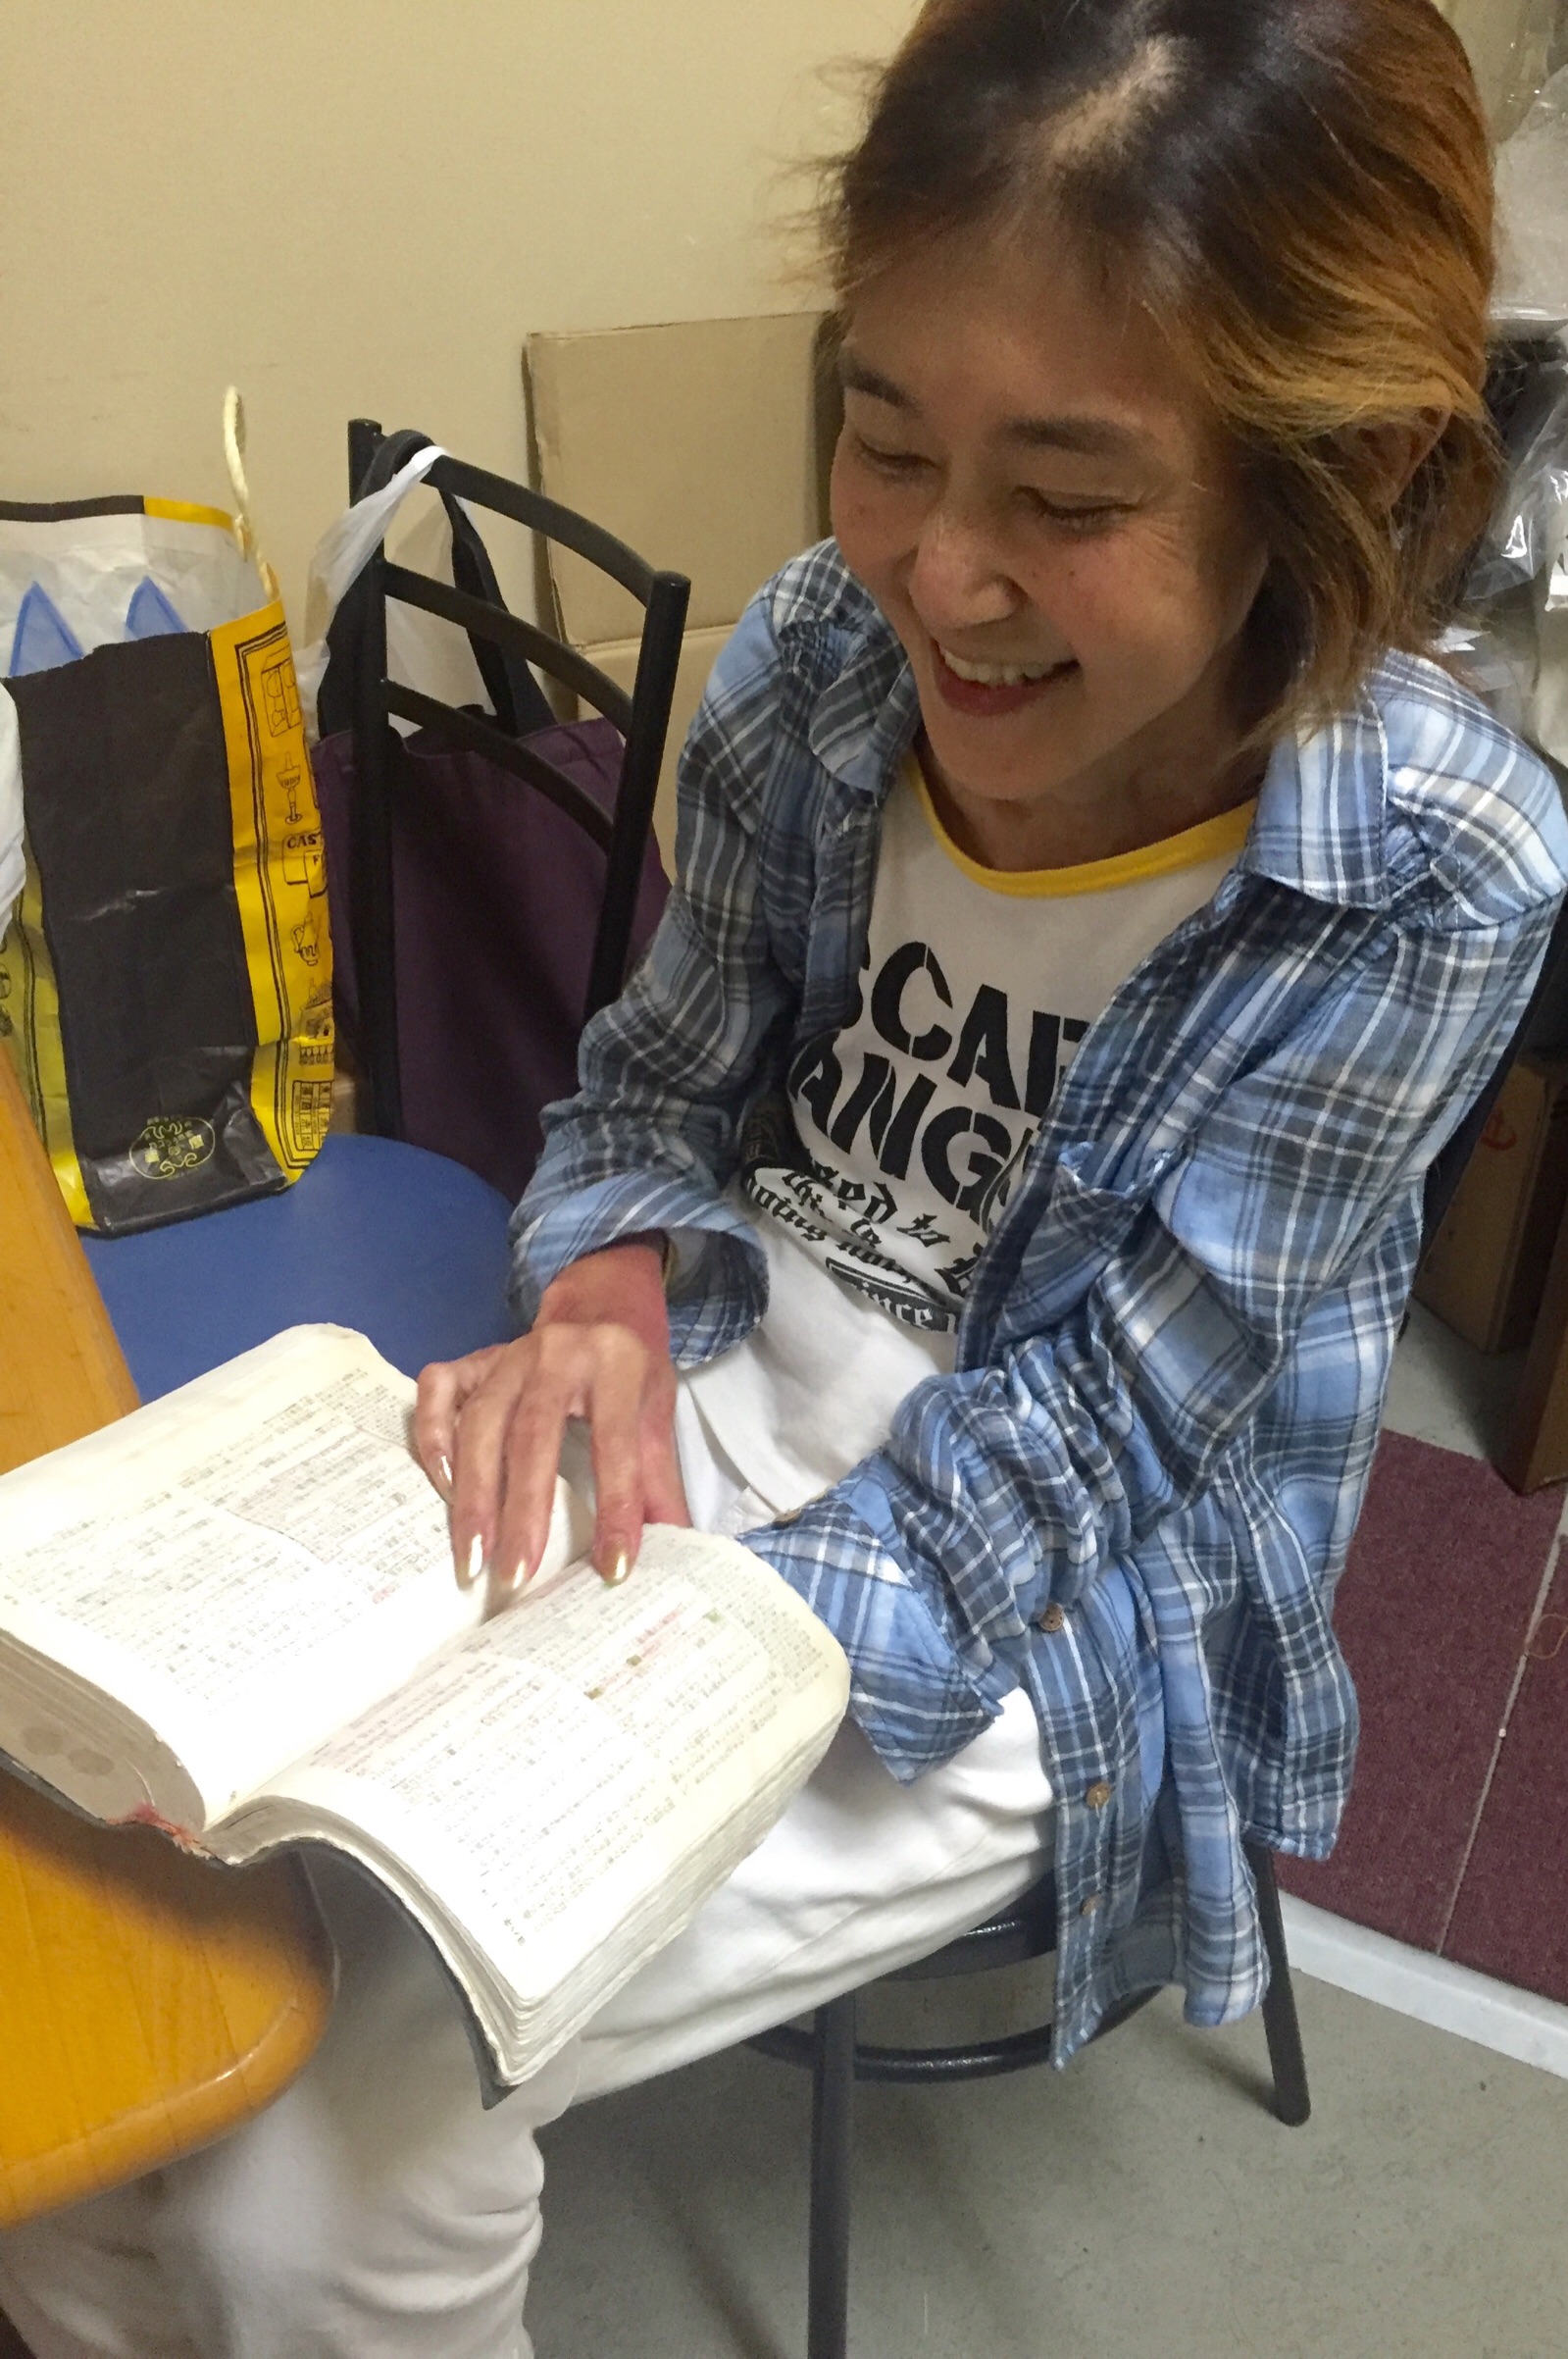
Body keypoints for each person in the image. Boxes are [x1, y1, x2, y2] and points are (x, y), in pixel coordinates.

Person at [4, 2, 1565, 2352]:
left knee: (315, 2173)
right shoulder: (827, 655)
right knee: (97, 1940)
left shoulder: (1431, 861)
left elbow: (1104, 1434)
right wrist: (609, 1286)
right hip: (714, 1392)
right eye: (882, 435)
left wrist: (639, 1674)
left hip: (1041, 1593)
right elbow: (653, 1085)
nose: (936, 577)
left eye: (1067, 499)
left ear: (1332, 478)